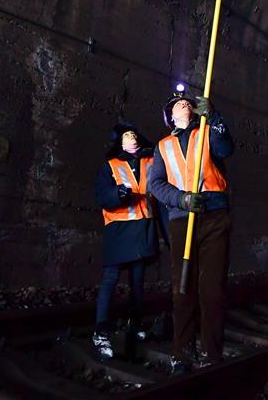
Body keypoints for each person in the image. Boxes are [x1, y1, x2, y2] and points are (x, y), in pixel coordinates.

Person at [149, 89, 234, 374]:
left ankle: (212, 353)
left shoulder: (208, 131)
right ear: (170, 117)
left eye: (187, 103)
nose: (183, 105)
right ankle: (182, 354)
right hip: (182, 218)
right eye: (177, 105)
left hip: (214, 216)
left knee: (212, 288)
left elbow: (226, 150)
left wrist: (215, 116)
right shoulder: (162, 147)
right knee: (182, 288)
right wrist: (181, 199)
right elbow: (156, 185)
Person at [93, 121, 161, 359]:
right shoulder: (110, 166)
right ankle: (101, 329)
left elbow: (160, 188)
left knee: (138, 281)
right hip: (119, 229)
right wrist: (116, 194)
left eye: (133, 134)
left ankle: (135, 323)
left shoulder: (151, 161)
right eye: (126, 136)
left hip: (142, 227)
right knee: (110, 279)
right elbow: (102, 195)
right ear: (119, 142)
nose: (131, 138)